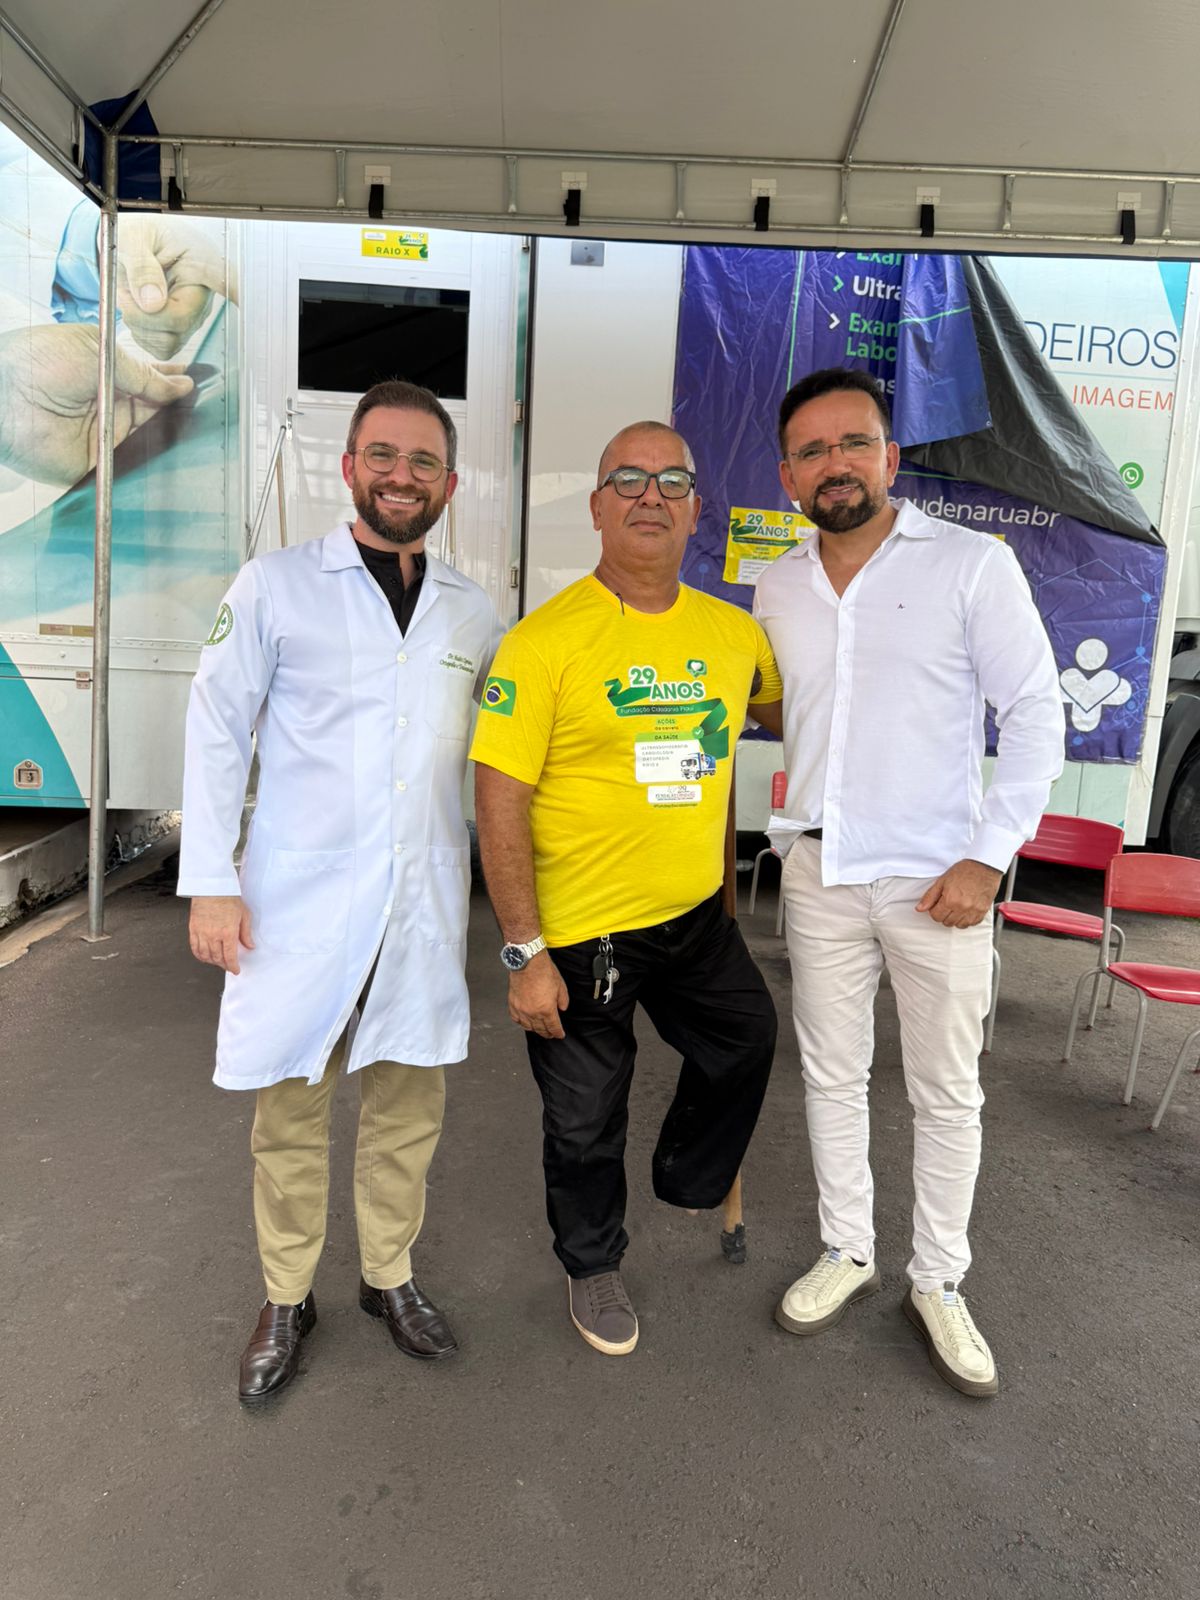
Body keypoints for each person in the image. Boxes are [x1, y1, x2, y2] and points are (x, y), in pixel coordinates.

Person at [178, 378, 503, 1403]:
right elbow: (217, 727)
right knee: (292, 1109)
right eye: (384, 456)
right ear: (352, 466)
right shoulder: (276, 586)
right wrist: (210, 882)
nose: (403, 476)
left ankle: (387, 1276)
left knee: (408, 1106)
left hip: (419, 907)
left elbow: (504, 753)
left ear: (449, 483)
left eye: (423, 461)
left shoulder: (472, 610)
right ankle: (287, 1295)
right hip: (298, 904)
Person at [753, 367, 1064, 1398]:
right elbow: (790, 711)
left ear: (890, 457)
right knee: (831, 1076)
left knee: (945, 1092)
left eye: (854, 442)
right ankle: (848, 1248)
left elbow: (1037, 715)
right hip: (820, 869)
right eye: (811, 450)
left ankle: (938, 1279)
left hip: (940, 879)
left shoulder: (971, 565)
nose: (834, 463)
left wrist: (989, 854)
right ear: (788, 474)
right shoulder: (779, 585)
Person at [471, 421, 782, 1357]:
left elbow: (789, 713)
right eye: (630, 480)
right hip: (582, 937)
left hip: (694, 918)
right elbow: (498, 802)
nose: (652, 495)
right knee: (584, 1121)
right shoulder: (542, 642)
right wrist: (524, 954)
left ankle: (686, 1177)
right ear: (598, 507)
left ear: (696, 510)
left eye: (672, 480)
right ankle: (593, 1263)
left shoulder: (735, 635)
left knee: (746, 1037)